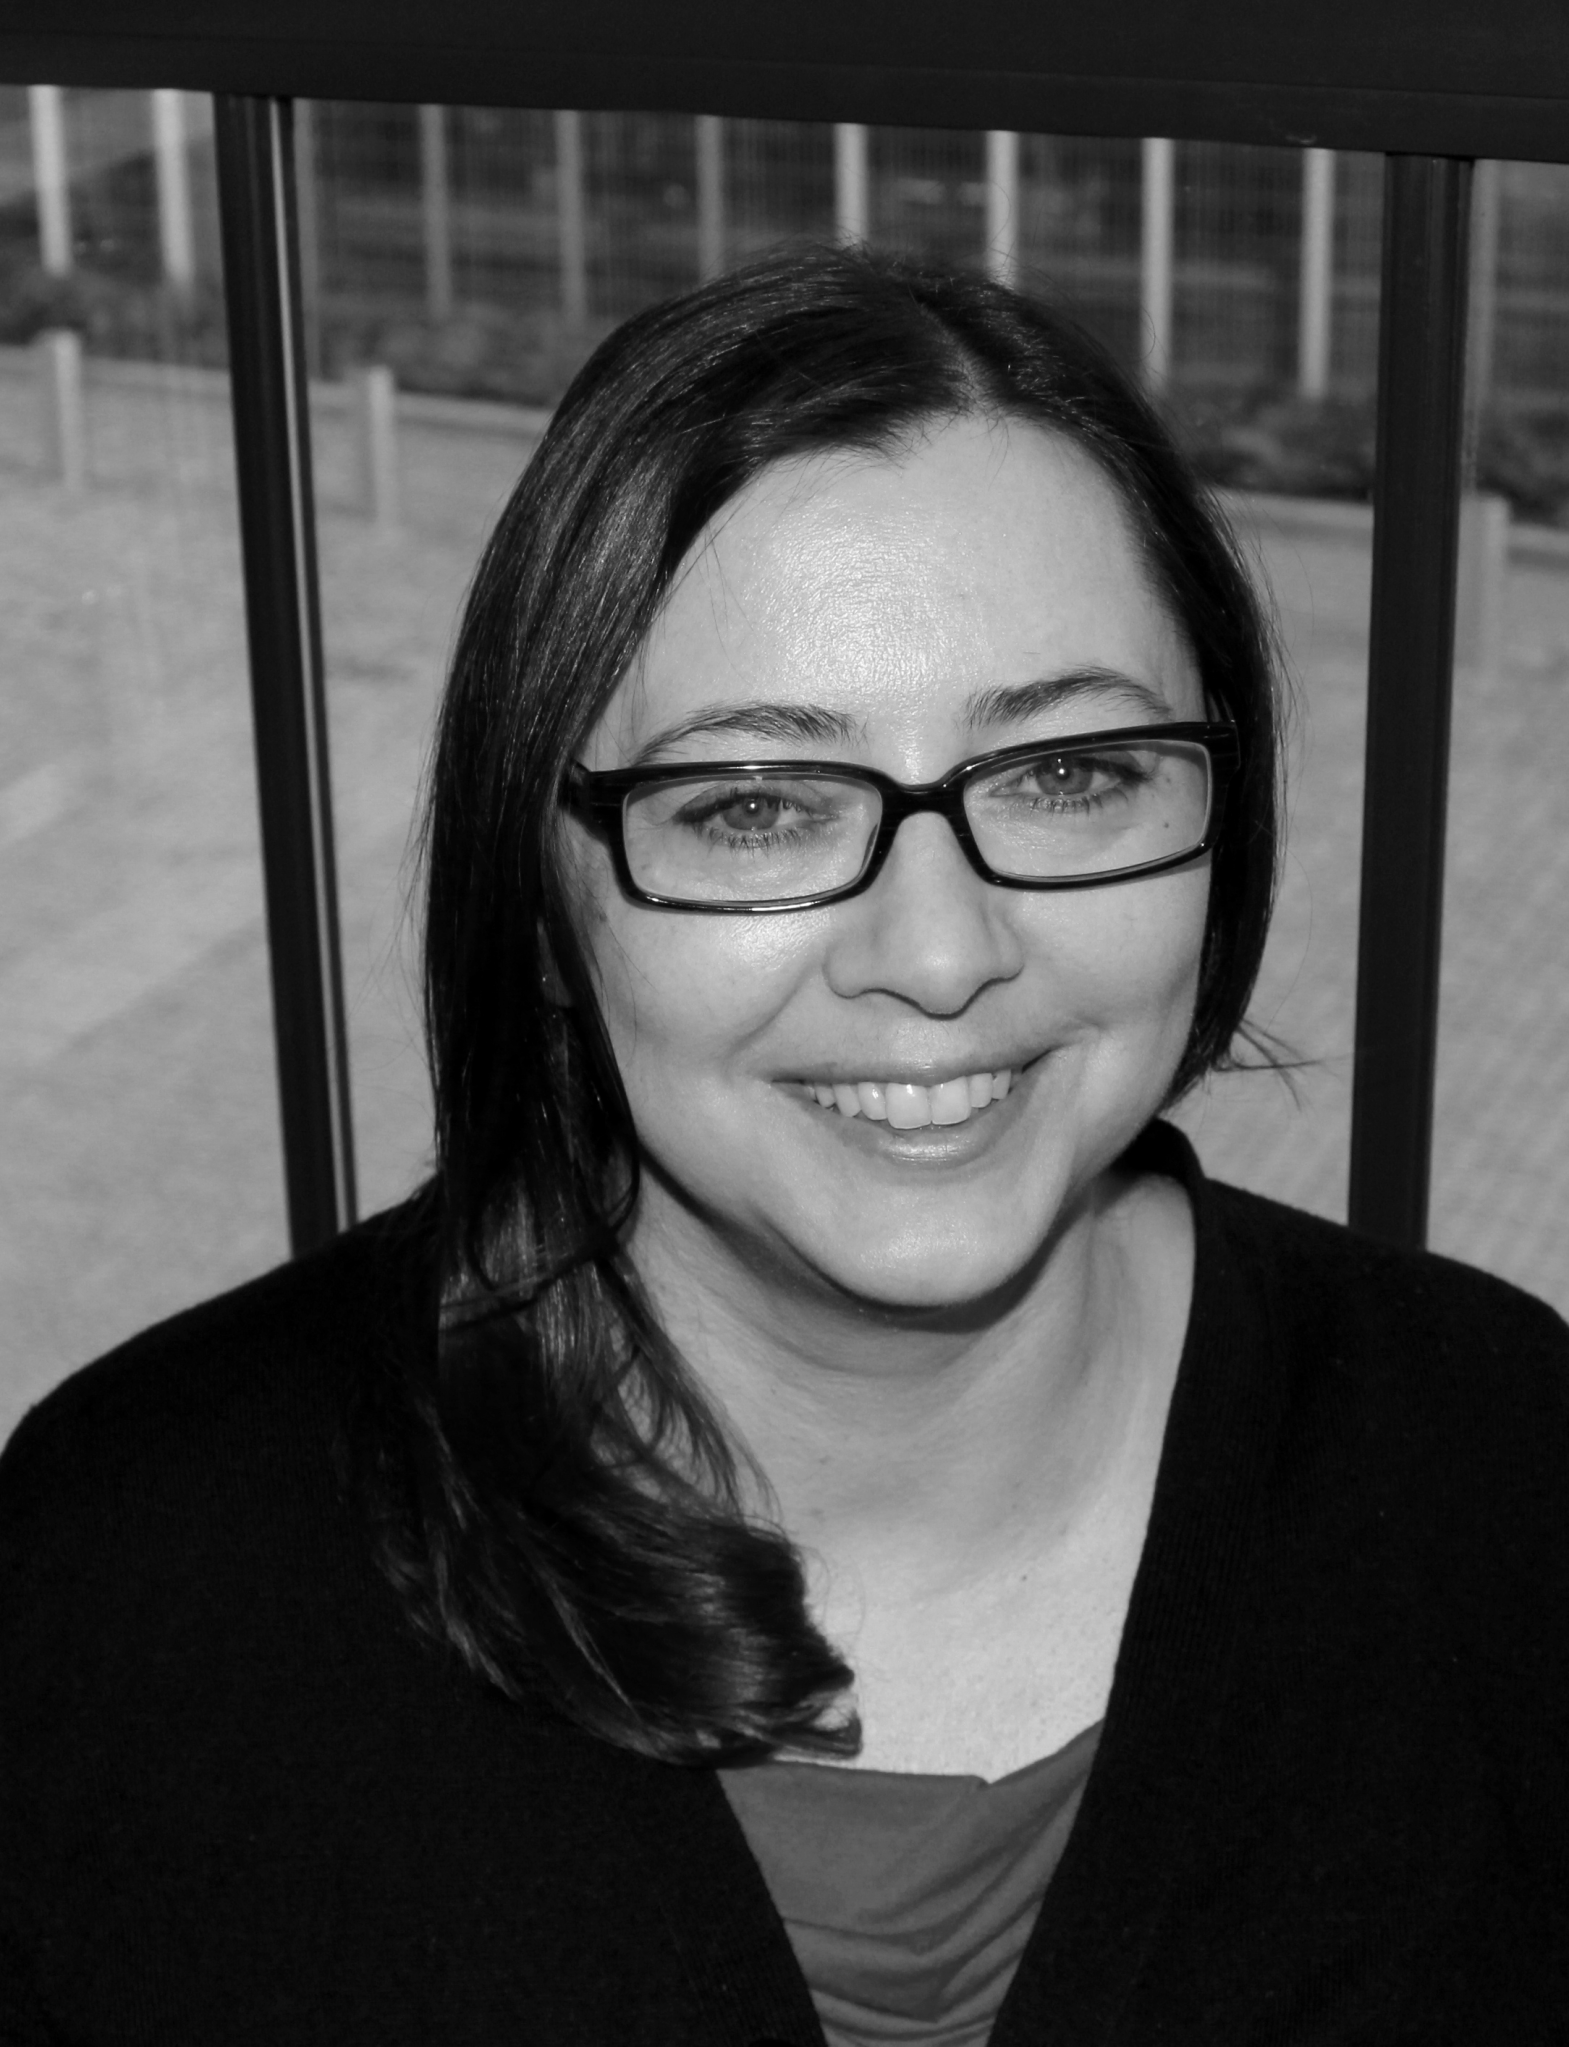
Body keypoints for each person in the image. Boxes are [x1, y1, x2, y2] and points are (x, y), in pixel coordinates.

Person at [2, 247, 1566, 2046]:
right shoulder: (140, 1581)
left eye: (1068, 774)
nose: (939, 952)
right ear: (546, 894)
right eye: (754, 805)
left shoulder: (1507, 1483)